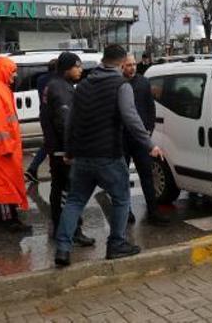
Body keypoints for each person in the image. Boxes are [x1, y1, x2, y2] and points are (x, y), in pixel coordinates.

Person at [54, 44, 164, 267]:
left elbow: (71, 121)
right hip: (108, 156)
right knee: (122, 198)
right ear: (122, 63)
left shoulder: (83, 85)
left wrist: (69, 151)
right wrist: (149, 144)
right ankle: (116, 245)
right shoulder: (121, 86)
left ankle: (63, 250)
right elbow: (131, 118)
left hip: (82, 156)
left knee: (74, 201)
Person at [42, 52, 95, 246]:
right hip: (64, 151)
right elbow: (65, 123)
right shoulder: (61, 89)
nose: (81, 70)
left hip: (55, 148)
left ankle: (59, 228)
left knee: (58, 190)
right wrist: (72, 150)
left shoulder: (52, 85)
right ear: (66, 68)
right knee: (71, 193)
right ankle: (73, 230)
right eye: (77, 66)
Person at [0, 56, 30, 232]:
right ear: (4, 70)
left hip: (0, 145)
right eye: (13, 71)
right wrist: (6, 146)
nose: (14, 76)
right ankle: (9, 220)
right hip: (3, 147)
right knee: (5, 183)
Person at [121, 53, 169, 225]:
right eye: (128, 65)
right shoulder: (118, 84)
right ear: (121, 66)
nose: (132, 67)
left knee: (147, 176)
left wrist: (148, 130)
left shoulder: (143, 82)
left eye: (134, 64)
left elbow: (150, 108)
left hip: (141, 139)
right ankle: (125, 212)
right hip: (122, 139)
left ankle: (153, 212)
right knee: (122, 178)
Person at [25, 59, 58, 186]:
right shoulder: (57, 81)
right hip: (54, 115)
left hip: (44, 115)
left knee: (49, 143)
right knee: (52, 144)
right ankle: (35, 169)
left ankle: (34, 169)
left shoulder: (41, 80)